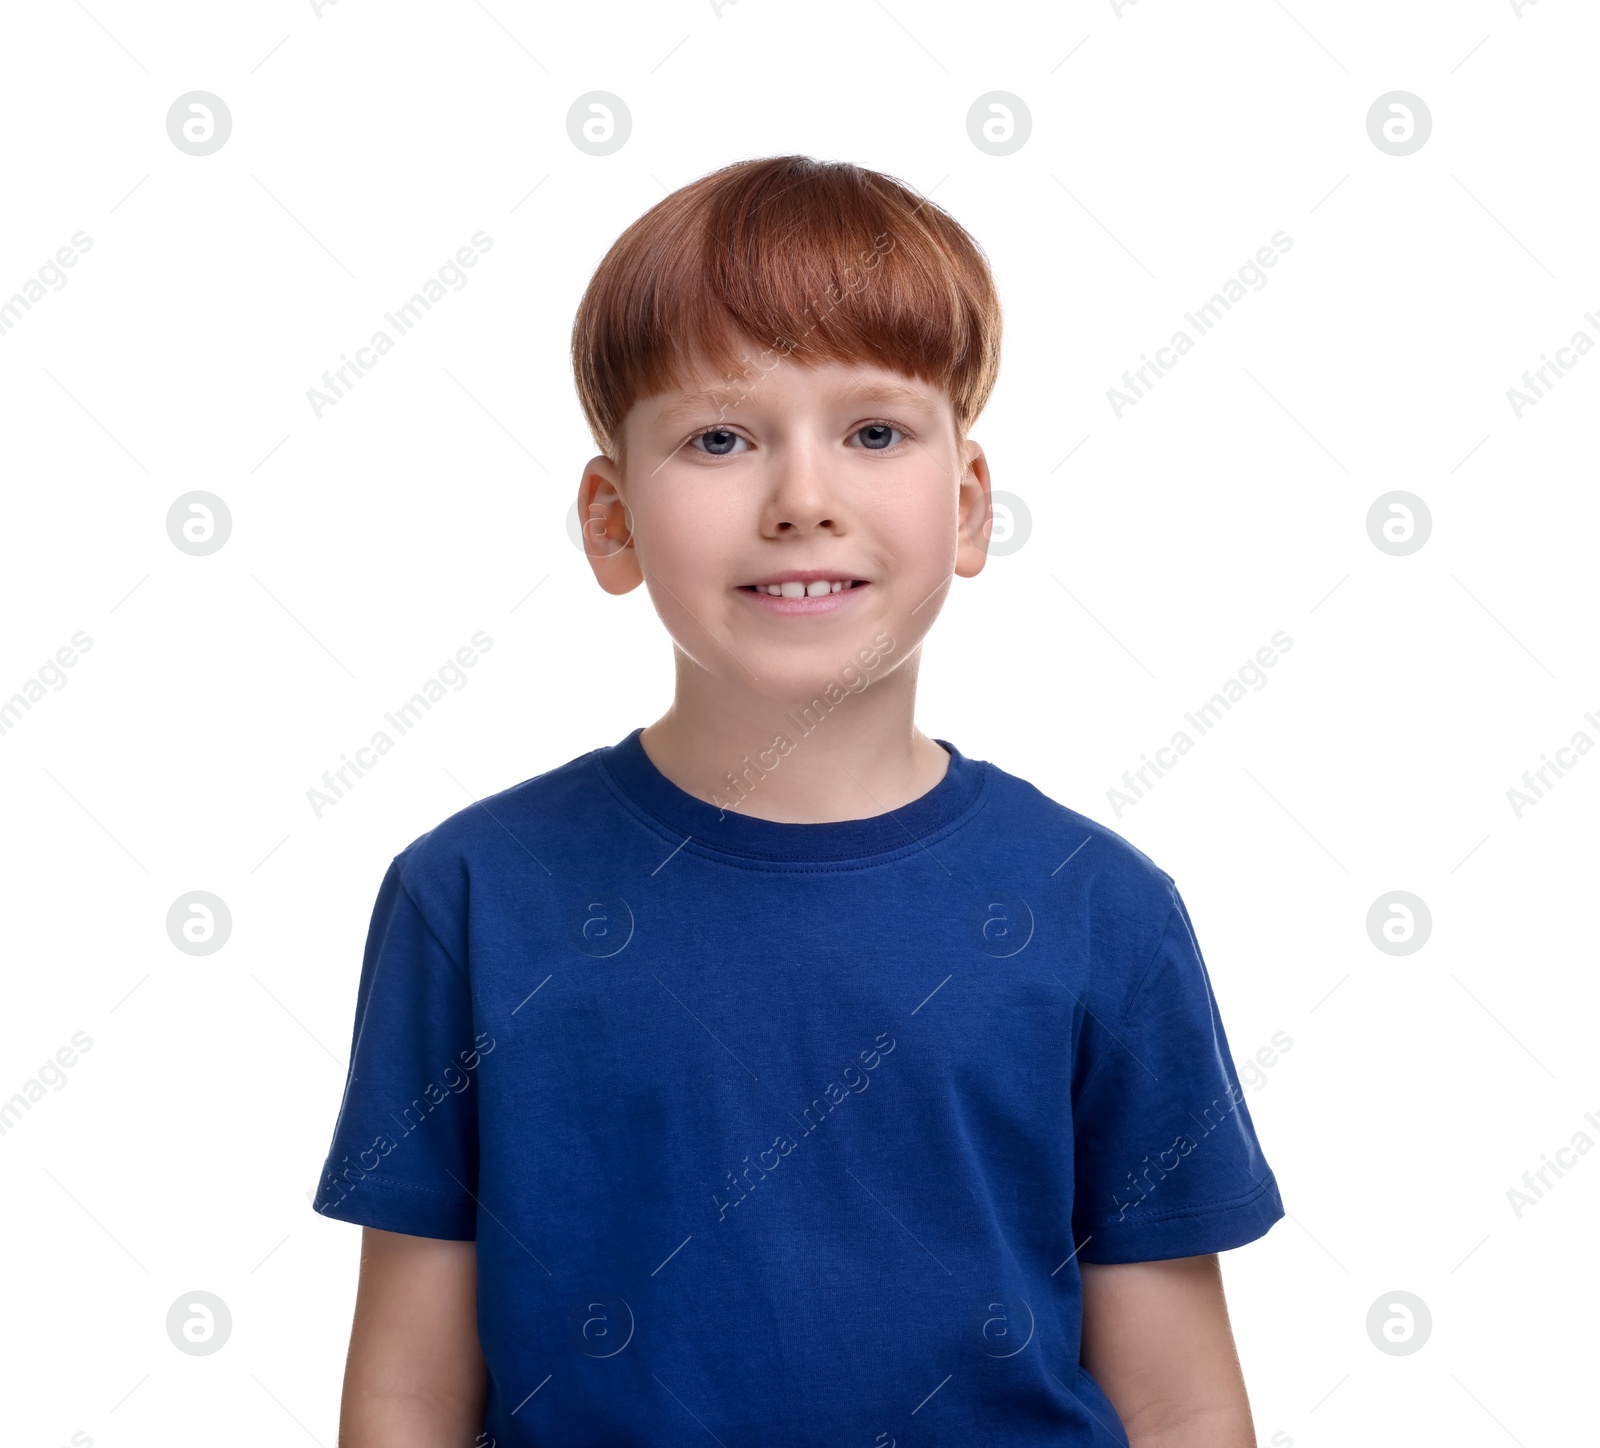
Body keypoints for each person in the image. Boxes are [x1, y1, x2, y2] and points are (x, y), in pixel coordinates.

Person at [313, 154, 1284, 1447]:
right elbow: (407, 1392)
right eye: (720, 438)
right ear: (611, 520)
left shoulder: (1101, 907)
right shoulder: (473, 896)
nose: (804, 501)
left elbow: (1184, 1402)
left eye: (875, 432)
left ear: (970, 503)